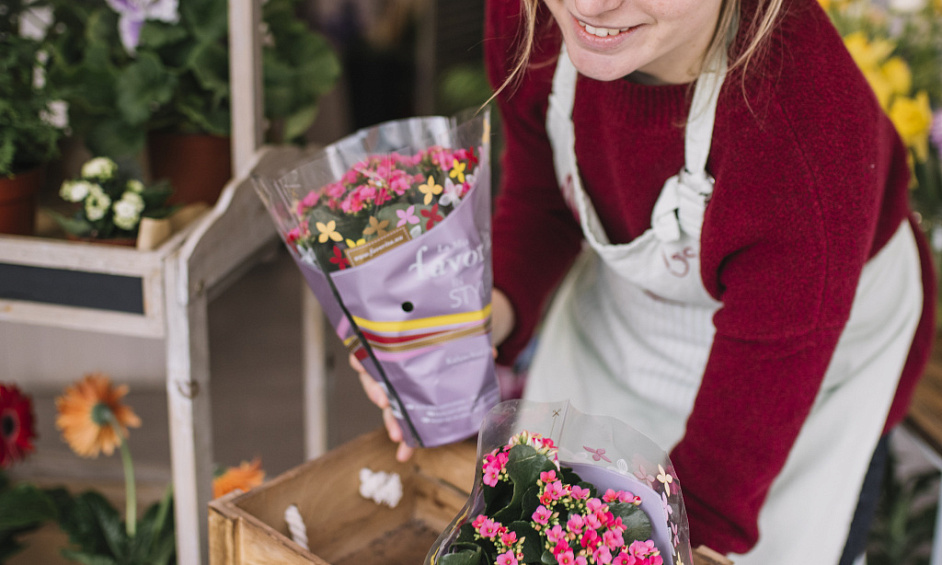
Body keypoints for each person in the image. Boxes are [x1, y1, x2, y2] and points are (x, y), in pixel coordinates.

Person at [357, 0, 937, 562]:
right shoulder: (534, 12)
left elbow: (716, 488)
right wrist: (475, 323)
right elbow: (543, 194)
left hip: (800, 362)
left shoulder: (804, 133)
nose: (590, 6)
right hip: (633, 318)